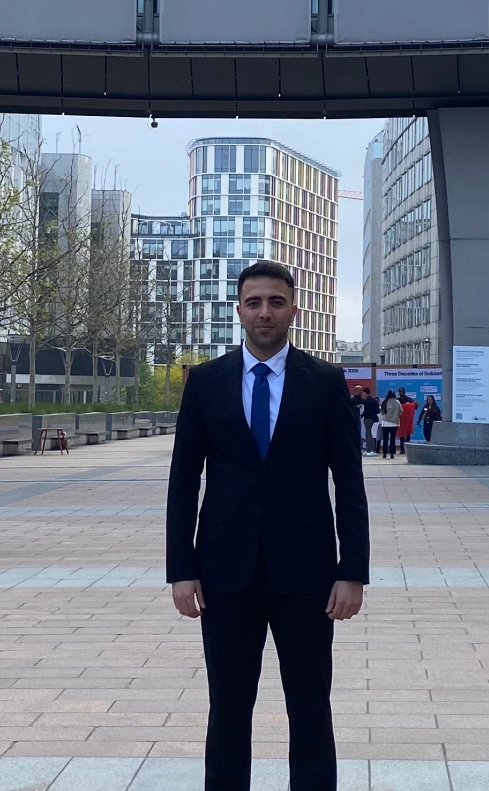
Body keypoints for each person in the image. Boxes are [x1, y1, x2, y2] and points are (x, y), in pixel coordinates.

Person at [166, 259, 369, 791]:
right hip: (224, 574)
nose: (264, 313)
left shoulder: (325, 383)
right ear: (238, 310)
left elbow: (349, 485)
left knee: (310, 706)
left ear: (293, 310)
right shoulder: (206, 382)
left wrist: (353, 572)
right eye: (254, 302)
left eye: (276, 302)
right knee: (228, 707)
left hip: (306, 575)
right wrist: (181, 569)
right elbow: (183, 483)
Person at [357, 387, 380, 457]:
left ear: (365, 393)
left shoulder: (366, 401)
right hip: (372, 418)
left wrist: (361, 415)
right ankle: (368, 449)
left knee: (368, 434)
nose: (362, 394)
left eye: (363, 392)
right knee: (368, 434)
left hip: (368, 419)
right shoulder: (373, 400)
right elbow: (378, 410)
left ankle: (372, 450)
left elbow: (366, 411)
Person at [379, 390, 400, 459]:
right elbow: (401, 411)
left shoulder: (385, 401)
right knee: (392, 438)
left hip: (385, 422)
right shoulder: (397, 402)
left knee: (385, 438)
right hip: (394, 422)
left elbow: (382, 412)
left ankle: (384, 453)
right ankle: (392, 454)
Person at [396, 390, 416, 455]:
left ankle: (407, 450)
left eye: (402, 391)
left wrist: (415, 404)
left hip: (407, 420)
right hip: (400, 419)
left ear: (404, 392)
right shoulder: (397, 400)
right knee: (401, 435)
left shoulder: (409, 400)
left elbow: (414, 407)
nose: (401, 393)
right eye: (400, 391)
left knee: (407, 435)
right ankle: (402, 449)